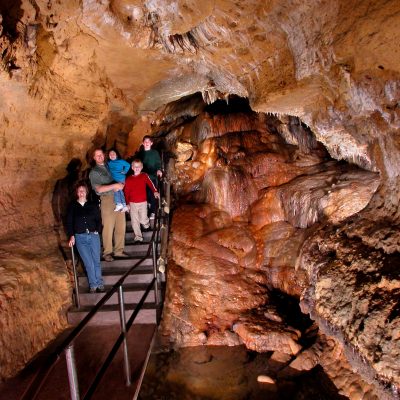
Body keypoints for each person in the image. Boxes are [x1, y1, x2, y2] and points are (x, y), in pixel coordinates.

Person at [89, 149, 127, 262]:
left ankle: (119, 251)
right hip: (107, 199)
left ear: (104, 155)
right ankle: (107, 252)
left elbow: (120, 173)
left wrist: (122, 183)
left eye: (101, 154)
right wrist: (114, 185)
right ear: (94, 158)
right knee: (108, 226)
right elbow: (99, 189)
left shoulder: (109, 165)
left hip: (119, 197)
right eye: (97, 155)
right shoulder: (94, 172)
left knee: (121, 225)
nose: (100, 156)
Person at [67, 182, 104, 293]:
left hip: (93, 235)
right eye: (79, 191)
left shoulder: (92, 205)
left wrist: (97, 230)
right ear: (77, 193)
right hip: (80, 237)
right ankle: (93, 284)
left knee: (96, 261)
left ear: (86, 192)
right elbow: (69, 222)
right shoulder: (72, 206)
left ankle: (100, 283)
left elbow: (98, 219)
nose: (81, 192)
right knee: (88, 263)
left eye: (83, 190)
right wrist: (71, 236)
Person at [124, 159, 160, 243]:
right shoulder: (128, 179)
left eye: (139, 166)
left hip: (143, 202)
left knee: (143, 218)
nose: (137, 168)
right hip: (132, 203)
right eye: (135, 167)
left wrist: (155, 191)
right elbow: (126, 192)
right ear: (132, 167)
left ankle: (146, 225)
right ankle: (138, 237)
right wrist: (127, 203)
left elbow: (151, 184)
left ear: (141, 167)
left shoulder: (144, 176)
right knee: (134, 221)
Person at [138, 135, 162, 219]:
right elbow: (136, 164)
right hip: (143, 177)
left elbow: (158, 163)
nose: (147, 143)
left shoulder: (155, 153)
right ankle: (144, 212)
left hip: (152, 176)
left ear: (151, 143)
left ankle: (153, 212)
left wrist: (159, 170)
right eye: (145, 142)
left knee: (152, 193)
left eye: (148, 142)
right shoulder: (140, 153)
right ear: (142, 143)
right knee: (144, 193)